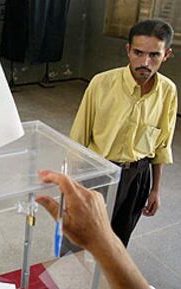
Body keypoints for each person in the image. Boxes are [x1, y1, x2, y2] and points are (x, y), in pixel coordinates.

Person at [70, 19, 178, 246]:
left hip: (137, 177)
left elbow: (162, 145)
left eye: (154, 55)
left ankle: (108, 280)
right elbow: (78, 140)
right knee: (80, 239)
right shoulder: (102, 83)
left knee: (117, 242)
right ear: (128, 50)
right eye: (138, 52)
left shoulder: (167, 91)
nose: (145, 62)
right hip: (98, 172)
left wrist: (155, 190)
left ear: (166, 55)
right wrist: (73, 187)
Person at [36, 170, 150, 289]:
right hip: (102, 170)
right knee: (73, 254)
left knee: (118, 231)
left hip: (135, 172)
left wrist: (101, 241)